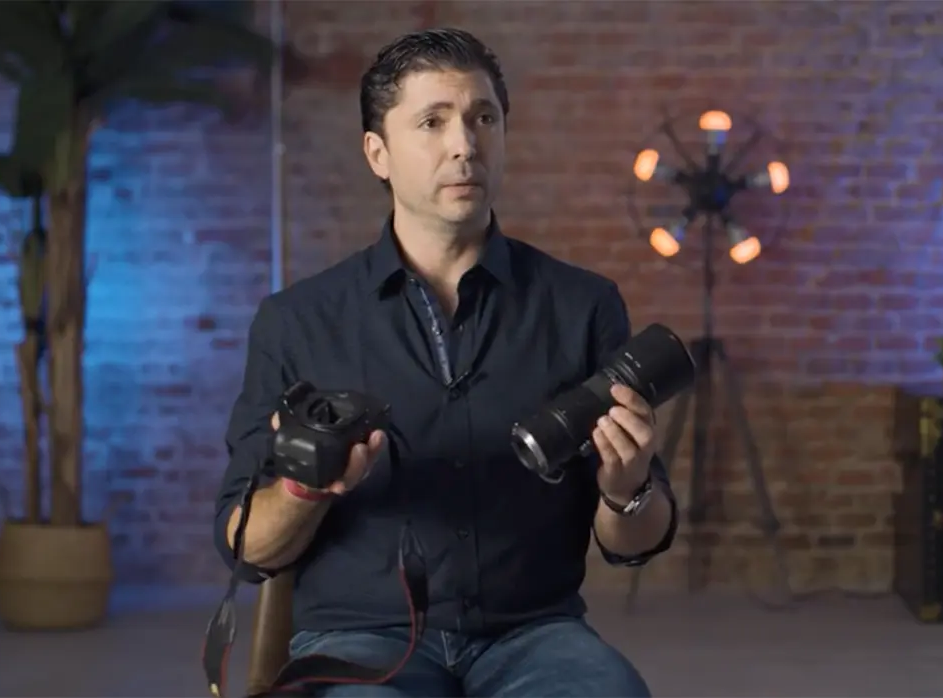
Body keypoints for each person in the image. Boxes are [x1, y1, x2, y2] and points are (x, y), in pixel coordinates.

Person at [214, 27, 678, 698]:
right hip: (359, 641)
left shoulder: (583, 306)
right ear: (379, 153)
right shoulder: (298, 322)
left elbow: (634, 540)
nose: (465, 144)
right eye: (432, 122)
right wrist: (303, 489)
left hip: (535, 635)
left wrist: (626, 485)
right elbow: (245, 548)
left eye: (482, 118)